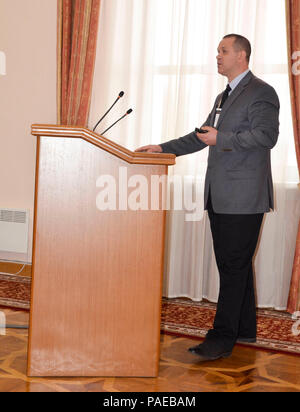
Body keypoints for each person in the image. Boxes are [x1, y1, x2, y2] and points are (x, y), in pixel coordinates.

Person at [135, 34, 280, 362]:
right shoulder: (223, 96)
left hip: (243, 198)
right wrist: (162, 147)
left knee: (232, 265)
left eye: (223, 51)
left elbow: (266, 136)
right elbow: (202, 136)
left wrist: (222, 138)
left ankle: (220, 339)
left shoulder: (261, 92)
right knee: (235, 264)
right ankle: (243, 328)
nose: (217, 56)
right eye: (218, 51)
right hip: (221, 195)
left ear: (241, 55)